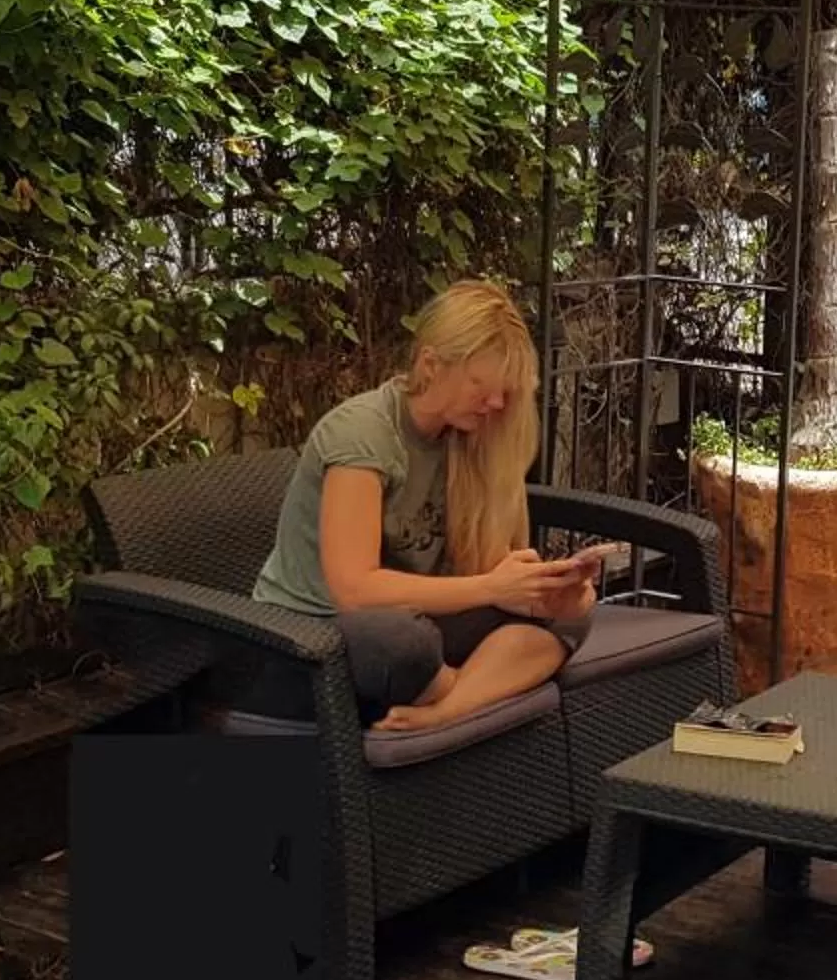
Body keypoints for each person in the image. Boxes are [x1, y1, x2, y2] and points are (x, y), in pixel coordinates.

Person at [254, 282, 594, 735]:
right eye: (481, 385)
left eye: (503, 391)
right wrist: (491, 588)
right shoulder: (363, 433)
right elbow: (354, 591)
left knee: (571, 620)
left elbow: (491, 578)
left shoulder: (471, 440)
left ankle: (444, 710)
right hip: (308, 636)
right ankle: (475, 685)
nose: (496, 403)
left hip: (418, 619)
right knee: (402, 644)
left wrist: (548, 594)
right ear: (431, 364)